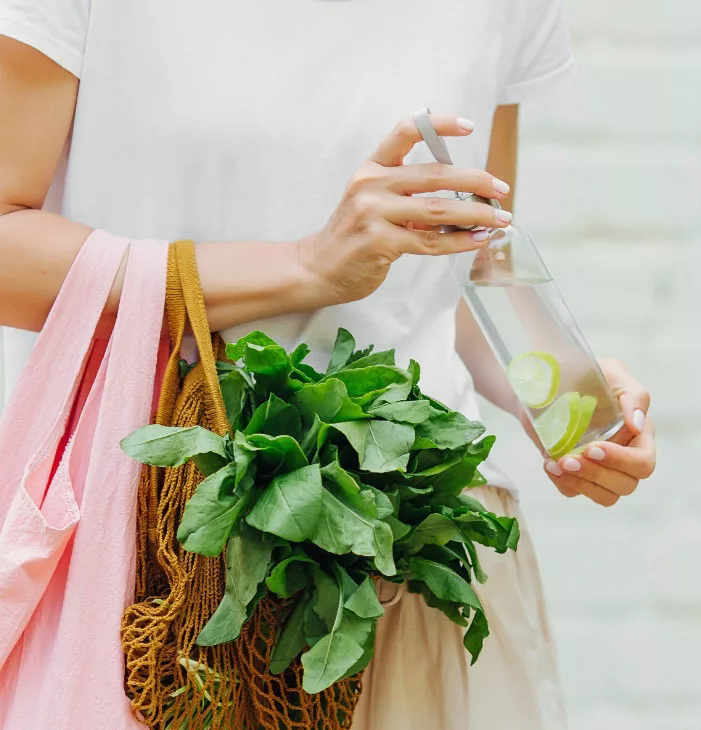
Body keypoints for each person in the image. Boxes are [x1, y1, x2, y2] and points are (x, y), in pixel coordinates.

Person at [0, 1, 656, 728]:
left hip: (405, 556)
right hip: (159, 560)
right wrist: (306, 267)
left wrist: (570, 399)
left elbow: (462, 269)